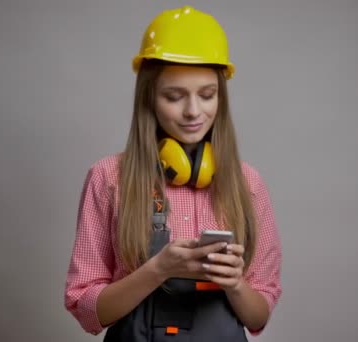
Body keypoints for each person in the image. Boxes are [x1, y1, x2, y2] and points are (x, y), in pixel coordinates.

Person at [64, 5, 282, 341]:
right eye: (174, 96)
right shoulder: (108, 178)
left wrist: (237, 283)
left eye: (207, 95)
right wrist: (157, 270)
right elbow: (87, 311)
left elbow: (258, 317)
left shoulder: (248, 184)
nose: (194, 111)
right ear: (149, 98)